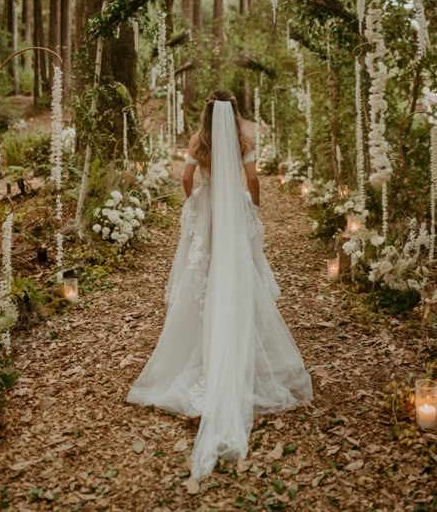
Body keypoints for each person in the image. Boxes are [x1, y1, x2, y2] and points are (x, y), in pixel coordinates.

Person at [126, 89, 312, 479]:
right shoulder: (243, 141)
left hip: (211, 208)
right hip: (230, 208)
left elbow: (187, 176)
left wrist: (196, 200)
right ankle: (236, 324)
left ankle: (203, 328)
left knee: (204, 268)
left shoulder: (198, 141)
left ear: (208, 114)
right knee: (237, 265)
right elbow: (253, 178)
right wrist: (251, 202)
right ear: (234, 115)